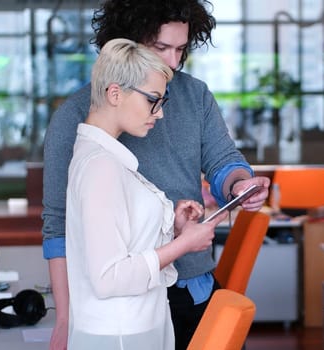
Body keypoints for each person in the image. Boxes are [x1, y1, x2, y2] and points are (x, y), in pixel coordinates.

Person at [41, 1, 271, 349]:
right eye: (161, 48)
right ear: (126, 43)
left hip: (188, 286)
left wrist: (239, 184)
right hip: (124, 306)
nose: (173, 62)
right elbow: (59, 225)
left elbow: (223, 159)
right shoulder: (77, 119)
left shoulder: (195, 95)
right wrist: (65, 317)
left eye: (181, 49)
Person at [65, 38, 227, 349]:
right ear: (115, 93)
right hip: (122, 335)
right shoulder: (101, 165)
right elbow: (109, 276)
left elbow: (127, 241)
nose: (160, 113)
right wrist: (183, 244)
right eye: (153, 99)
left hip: (131, 329)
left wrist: (171, 225)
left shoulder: (106, 156)